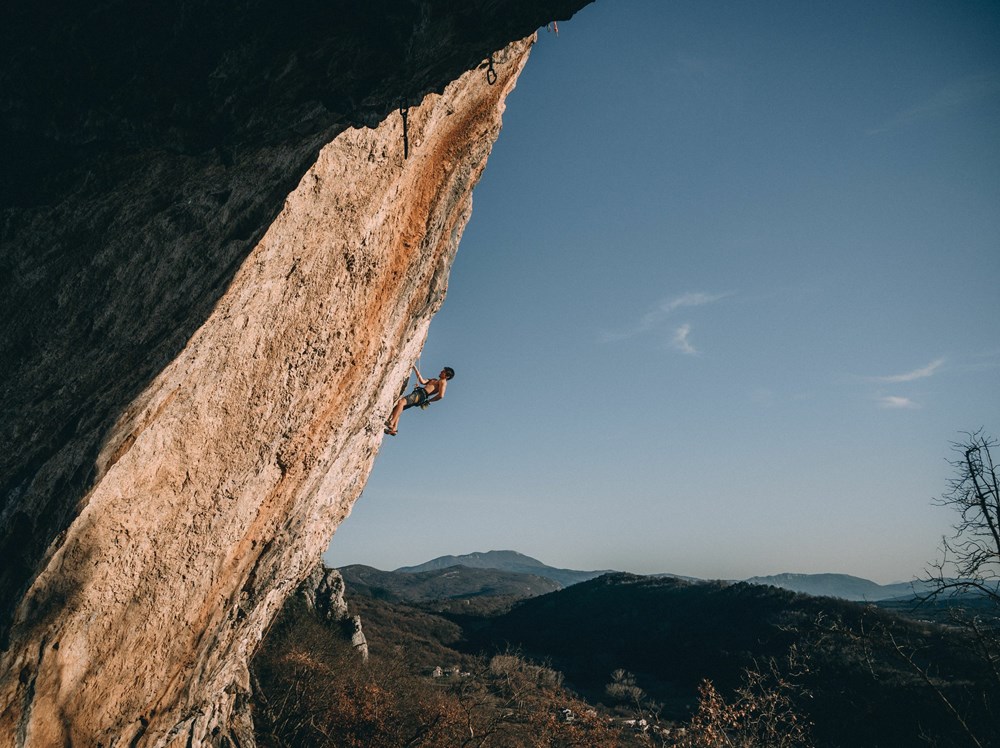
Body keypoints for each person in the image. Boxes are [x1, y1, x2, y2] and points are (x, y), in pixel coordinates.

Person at [384, 365, 454, 435]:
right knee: (397, 408)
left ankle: (391, 422)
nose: (441, 371)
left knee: (401, 402)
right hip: (420, 394)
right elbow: (422, 381)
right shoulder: (434, 380)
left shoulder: (443, 382)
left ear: (447, 376)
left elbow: (441, 395)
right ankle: (394, 429)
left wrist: (429, 401)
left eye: (443, 372)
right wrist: (415, 369)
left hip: (421, 395)